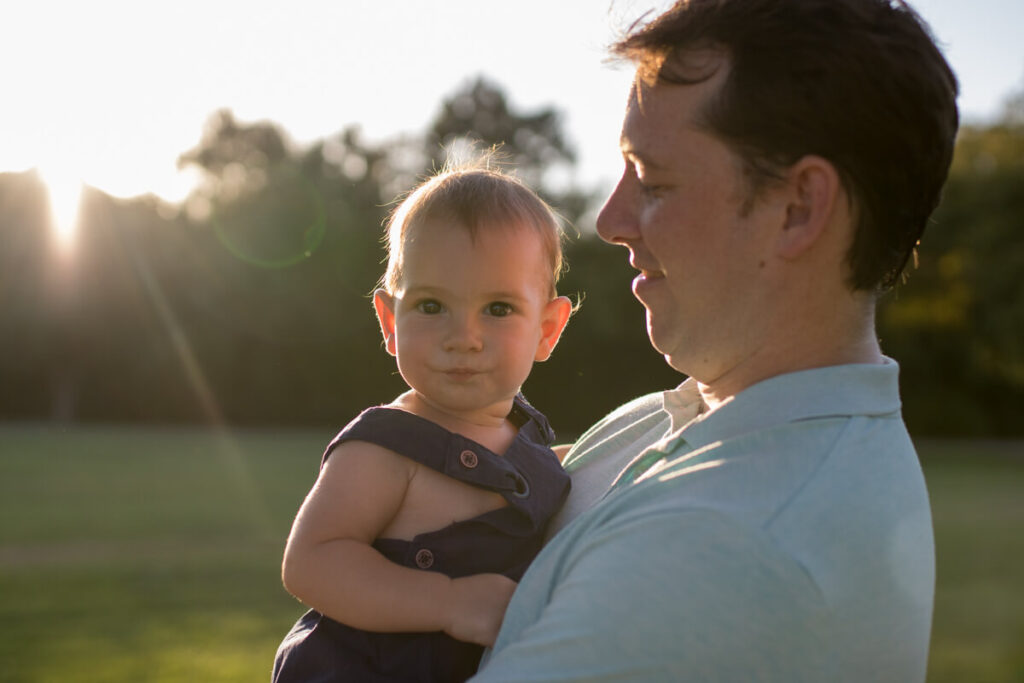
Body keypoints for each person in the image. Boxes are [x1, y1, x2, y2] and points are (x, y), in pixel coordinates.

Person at [472, 0, 958, 681]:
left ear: (798, 208)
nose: (610, 220)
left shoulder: (725, 539)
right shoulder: (684, 415)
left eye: (653, 180)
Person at [272, 162, 574, 682]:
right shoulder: (386, 448)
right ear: (390, 322)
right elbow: (312, 561)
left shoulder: (530, 441)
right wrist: (448, 600)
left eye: (498, 309)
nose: (464, 336)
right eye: (432, 305)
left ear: (547, 330)